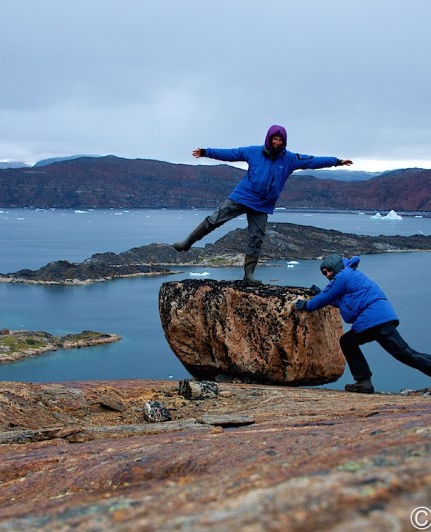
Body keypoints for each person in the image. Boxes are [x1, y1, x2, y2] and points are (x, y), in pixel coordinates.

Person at [172, 125, 353, 285]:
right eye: (274, 139)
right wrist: (206, 151)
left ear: (284, 142)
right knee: (215, 219)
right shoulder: (253, 152)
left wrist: (336, 162)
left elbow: (313, 161)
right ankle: (187, 242)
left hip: (262, 205)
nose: (277, 142)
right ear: (268, 139)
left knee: (256, 238)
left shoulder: (289, 159)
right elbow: (230, 154)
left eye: (280, 140)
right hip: (242, 196)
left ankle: (248, 275)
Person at [294, 253, 431, 393]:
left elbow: (327, 296)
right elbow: (336, 299)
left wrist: (307, 305)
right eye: (325, 273)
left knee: (405, 354)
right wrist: (319, 294)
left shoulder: (344, 276)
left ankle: (364, 381)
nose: (328, 274)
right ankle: (363, 381)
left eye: (329, 270)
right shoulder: (347, 275)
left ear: (336, 266)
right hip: (373, 320)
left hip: (376, 319)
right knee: (350, 342)